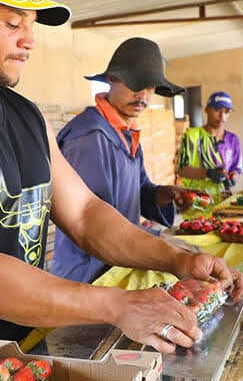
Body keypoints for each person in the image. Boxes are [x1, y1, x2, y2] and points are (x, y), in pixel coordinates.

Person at [0, 0, 243, 381]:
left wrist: (177, 259)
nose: (29, 41)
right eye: (13, 24)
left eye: (30, 26)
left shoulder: (26, 116)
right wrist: (119, 305)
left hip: (25, 338)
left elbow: (84, 214)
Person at [52, 38, 194, 283]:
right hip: (89, 275)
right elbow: (93, 224)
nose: (143, 96)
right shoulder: (89, 139)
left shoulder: (126, 133)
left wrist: (164, 194)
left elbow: (141, 190)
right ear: (111, 80)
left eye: (149, 87)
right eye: (134, 85)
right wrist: (163, 246)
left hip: (119, 261)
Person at [177, 91, 242, 203]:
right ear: (206, 110)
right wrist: (207, 173)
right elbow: (182, 170)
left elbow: (236, 168)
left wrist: (233, 177)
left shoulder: (233, 140)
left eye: (226, 112)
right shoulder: (192, 136)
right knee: (198, 221)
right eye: (217, 110)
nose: (222, 116)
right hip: (196, 201)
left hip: (223, 200)